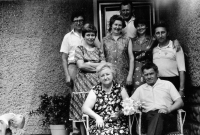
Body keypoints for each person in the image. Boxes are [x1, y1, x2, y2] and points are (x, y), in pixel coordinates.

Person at [69, 23, 105, 135]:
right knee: (82, 113)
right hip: (82, 84)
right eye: (88, 35)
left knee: (96, 109)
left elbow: (104, 65)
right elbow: (81, 66)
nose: (90, 37)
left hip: (96, 83)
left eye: (93, 35)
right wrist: (97, 65)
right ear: (84, 36)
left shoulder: (99, 50)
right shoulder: (79, 49)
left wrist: (88, 63)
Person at [131, 62, 184, 135]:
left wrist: (168, 109)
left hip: (166, 117)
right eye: (146, 75)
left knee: (159, 116)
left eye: (151, 73)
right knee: (154, 116)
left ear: (157, 73)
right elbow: (130, 104)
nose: (149, 77)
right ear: (143, 76)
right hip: (148, 118)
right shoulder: (140, 89)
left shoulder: (167, 84)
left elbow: (180, 102)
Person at [82, 63, 129, 135]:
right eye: (102, 75)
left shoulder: (120, 89)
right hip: (100, 124)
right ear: (99, 78)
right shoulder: (95, 90)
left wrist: (119, 114)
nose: (105, 77)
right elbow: (85, 108)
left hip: (118, 124)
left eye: (107, 74)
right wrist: (97, 117)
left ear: (112, 74)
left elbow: (129, 106)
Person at [60, 11, 101, 88]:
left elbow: (99, 49)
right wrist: (67, 76)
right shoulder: (67, 37)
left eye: (80, 20)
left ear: (83, 21)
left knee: (90, 91)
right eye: (76, 21)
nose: (78, 23)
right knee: (75, 91)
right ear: (72, 22)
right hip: (73, 66)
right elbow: (64, 58)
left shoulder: (90, 34)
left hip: (88, 65)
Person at [152, 21, 186, 97]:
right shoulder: (153, 49)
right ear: (154, 35)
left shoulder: (176, 47)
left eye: (163, 32)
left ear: (167, 33)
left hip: (173, 82)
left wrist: (181, 89)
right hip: (158, 82)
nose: (160, 35)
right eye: (157, 33)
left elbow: (182, 69)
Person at [102, 15, 134, 92]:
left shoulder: (127, 39)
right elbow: (102, 58)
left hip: (124, 75)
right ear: (111, 25)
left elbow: (131, 58)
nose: (117, 27)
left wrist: (130, 75)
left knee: (124, 99)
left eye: (120, 25)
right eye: (115, 24)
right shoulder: (104, 40)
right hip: (109, 76)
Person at [131, 18, 155, 93]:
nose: (140, 28)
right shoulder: (131, 41)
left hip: (148, 68)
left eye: (142, 25)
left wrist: (175, 41)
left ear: (146, 26)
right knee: (137, 90)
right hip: (136, 69)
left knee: (149, 90)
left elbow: (164, 41)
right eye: (138, 26)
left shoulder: (152, 39)